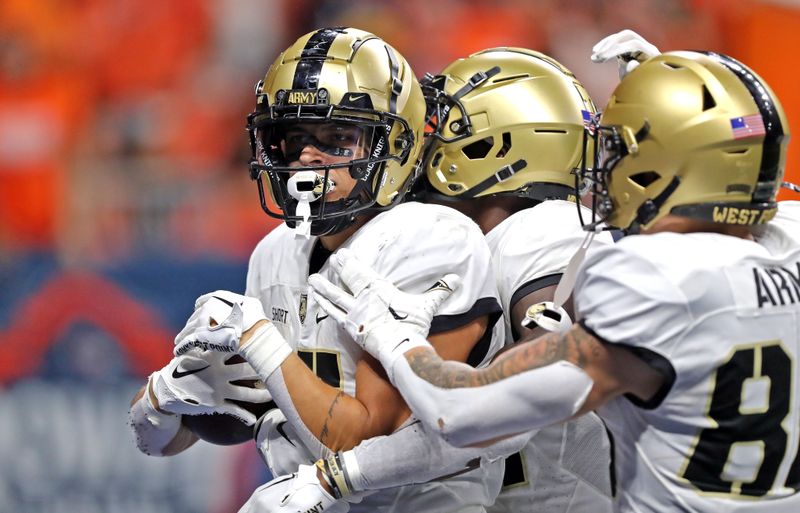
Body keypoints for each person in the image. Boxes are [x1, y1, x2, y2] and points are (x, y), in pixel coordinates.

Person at [310, 49, 800, 513]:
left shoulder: (646, 276)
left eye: (617, 149)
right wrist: (700, 115)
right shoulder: (784, 248)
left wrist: (394, 338)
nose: (600, 168)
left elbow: (463, 411)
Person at [130, 27, 506, 513]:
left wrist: (259, 341)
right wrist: (165, 401)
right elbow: (247, 417)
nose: (308, 157)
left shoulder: (431, 237)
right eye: (295, 138)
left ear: (391, 144)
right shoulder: (276, 251)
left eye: (337, 137)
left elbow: (366, 443)